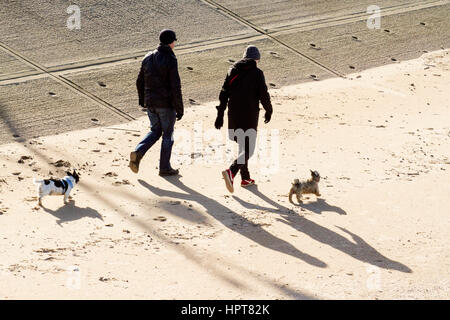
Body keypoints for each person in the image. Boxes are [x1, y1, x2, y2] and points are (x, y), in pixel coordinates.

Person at [215, 45, 273, 193]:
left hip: (233, 114)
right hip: (249, 115)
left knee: (242, 145)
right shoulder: (257, 73)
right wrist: (269, 110)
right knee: (249, 149)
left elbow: (223, 94)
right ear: (257, 59)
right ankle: (231, 171)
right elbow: (263, 94)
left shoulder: (232, 70)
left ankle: (245, 178)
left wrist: (220, 115)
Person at [130, 29, 183, 176]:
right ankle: (164, 168)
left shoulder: (148, 57)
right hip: (166, 105)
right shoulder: (171, 59)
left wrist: (143, 100)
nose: (175, 44)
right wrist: (180, 108)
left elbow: (139, 81)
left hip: (150, 103)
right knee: (168, 134)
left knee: (155, 131)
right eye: (174, 41)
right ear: (170, 42)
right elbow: (175, 86)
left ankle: (138, 152)